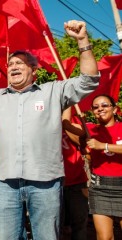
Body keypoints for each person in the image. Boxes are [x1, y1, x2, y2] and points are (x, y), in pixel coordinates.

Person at [0, 19, 99, 239]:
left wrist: (82, 40)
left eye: (20, 63)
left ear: (34, 70)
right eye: (11, 64)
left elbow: (88, 81)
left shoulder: (53, 92)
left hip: (46, 183)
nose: (14, 67)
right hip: (4, 185)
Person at [63, 94, 122, 240]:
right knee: (104, 237)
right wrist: (69, 99)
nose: (100, 109)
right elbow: (66, 125)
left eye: (104, 105)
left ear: (115, 109)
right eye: (95, 107)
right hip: (100, 187)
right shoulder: (90, 130)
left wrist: (103, 146)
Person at [60, 125, 89, 240]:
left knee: (79, 224)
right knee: (56, 225)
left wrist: (65, 124)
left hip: (77, 181)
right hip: (53, 182)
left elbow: (83, 145)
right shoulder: (43, 119)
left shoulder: (74, 121)